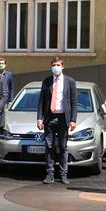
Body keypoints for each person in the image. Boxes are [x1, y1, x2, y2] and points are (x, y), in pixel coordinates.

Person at [37, 56, 77, 185]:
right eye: (54, 65)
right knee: (49, 147)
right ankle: (50, 174)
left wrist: (73, 120)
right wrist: (39, 118)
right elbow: (41, 102)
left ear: (63, 66)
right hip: (50, 118)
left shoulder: (70, 81)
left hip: (63, 118)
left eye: (58, 65)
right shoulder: (47, 81)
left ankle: (63, 174)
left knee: (63, 147)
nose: (56, 67)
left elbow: (74, 102)